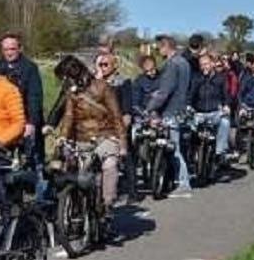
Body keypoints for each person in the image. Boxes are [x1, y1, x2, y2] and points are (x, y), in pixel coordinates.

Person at [54, 55, 126, 230]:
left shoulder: (103, 88)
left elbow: (116, 116)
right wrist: (63, 137)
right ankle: (75, 209)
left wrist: (122, 143)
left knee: (109, 165)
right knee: (72, 171)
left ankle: (108, 203)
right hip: (81, 138)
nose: (64, 82)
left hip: (105, 135)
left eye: (66, 77)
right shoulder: (72, 92)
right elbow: (69, 116)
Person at [0, 32, 47, 198]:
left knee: (34, 162)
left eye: (12, 49)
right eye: (5, 49)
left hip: (26, 120)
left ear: (20, 48)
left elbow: (34, 97)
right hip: (4, 124)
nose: (9, 53)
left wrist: (31, 122)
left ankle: (39, 202)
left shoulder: (30, 68)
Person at [145, 35, 193, 193]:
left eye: (160, 48)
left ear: (166, 46)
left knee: (173, 149)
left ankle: (183, 183)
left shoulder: (172, 64)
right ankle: (174, 181)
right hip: (182, 110)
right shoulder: (184, 63)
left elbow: (165, 91)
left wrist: (151, 107)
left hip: (170, 110)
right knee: (177, 147)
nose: (159, 51)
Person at [96, 53, 138, 202]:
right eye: (100, 64)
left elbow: (127, 105)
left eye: (105, 64)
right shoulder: (96, 82)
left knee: (126, 157)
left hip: (118, 123)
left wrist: (124, 124)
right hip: (100, 125)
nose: (102, 67)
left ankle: (133, 192)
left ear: (114, 66)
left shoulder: (123, 82)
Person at [188, 53, 232, 168]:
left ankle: (219, 151)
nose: (204, 67)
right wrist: (188, 105)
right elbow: (191, 95)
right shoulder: (197, 78)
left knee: (225, 122)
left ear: (212, 64)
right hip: (199, 113)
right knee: (189, 127)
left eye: (206, 64)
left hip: (215, 113)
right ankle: (192, 153)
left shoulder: (220, 78)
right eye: (202, 65)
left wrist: (226, 105)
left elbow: (226, 95)